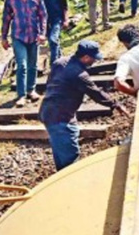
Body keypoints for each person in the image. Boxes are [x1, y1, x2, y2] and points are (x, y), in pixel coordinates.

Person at [40, 40, 128, 171]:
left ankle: (62, 176)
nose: (94, 62)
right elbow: (95, 92)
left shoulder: (59, 62)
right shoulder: (79, 74)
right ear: (86, 57)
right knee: (70, 159)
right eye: (93, 59)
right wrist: (116, 104)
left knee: (60, 149)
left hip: (48, 111)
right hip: (60, 118)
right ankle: (69, 184)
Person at [1, 0, 47, 107]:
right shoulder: (10, 0)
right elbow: (6, 20)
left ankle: (31, 90)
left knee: (33, 65)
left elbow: (43, 16)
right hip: (18, 36)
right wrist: (3, 37)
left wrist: (43, 33)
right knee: (22, 65)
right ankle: (21, 95)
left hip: (34, 36)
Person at [34, 0, 68, 65]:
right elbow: (36, 3)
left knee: (53, 39)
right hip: (44, 18)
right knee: (52, 41)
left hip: (57, 17)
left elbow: (64, 3)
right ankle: (60, 61)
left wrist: (65, 19)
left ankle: (53, 64)